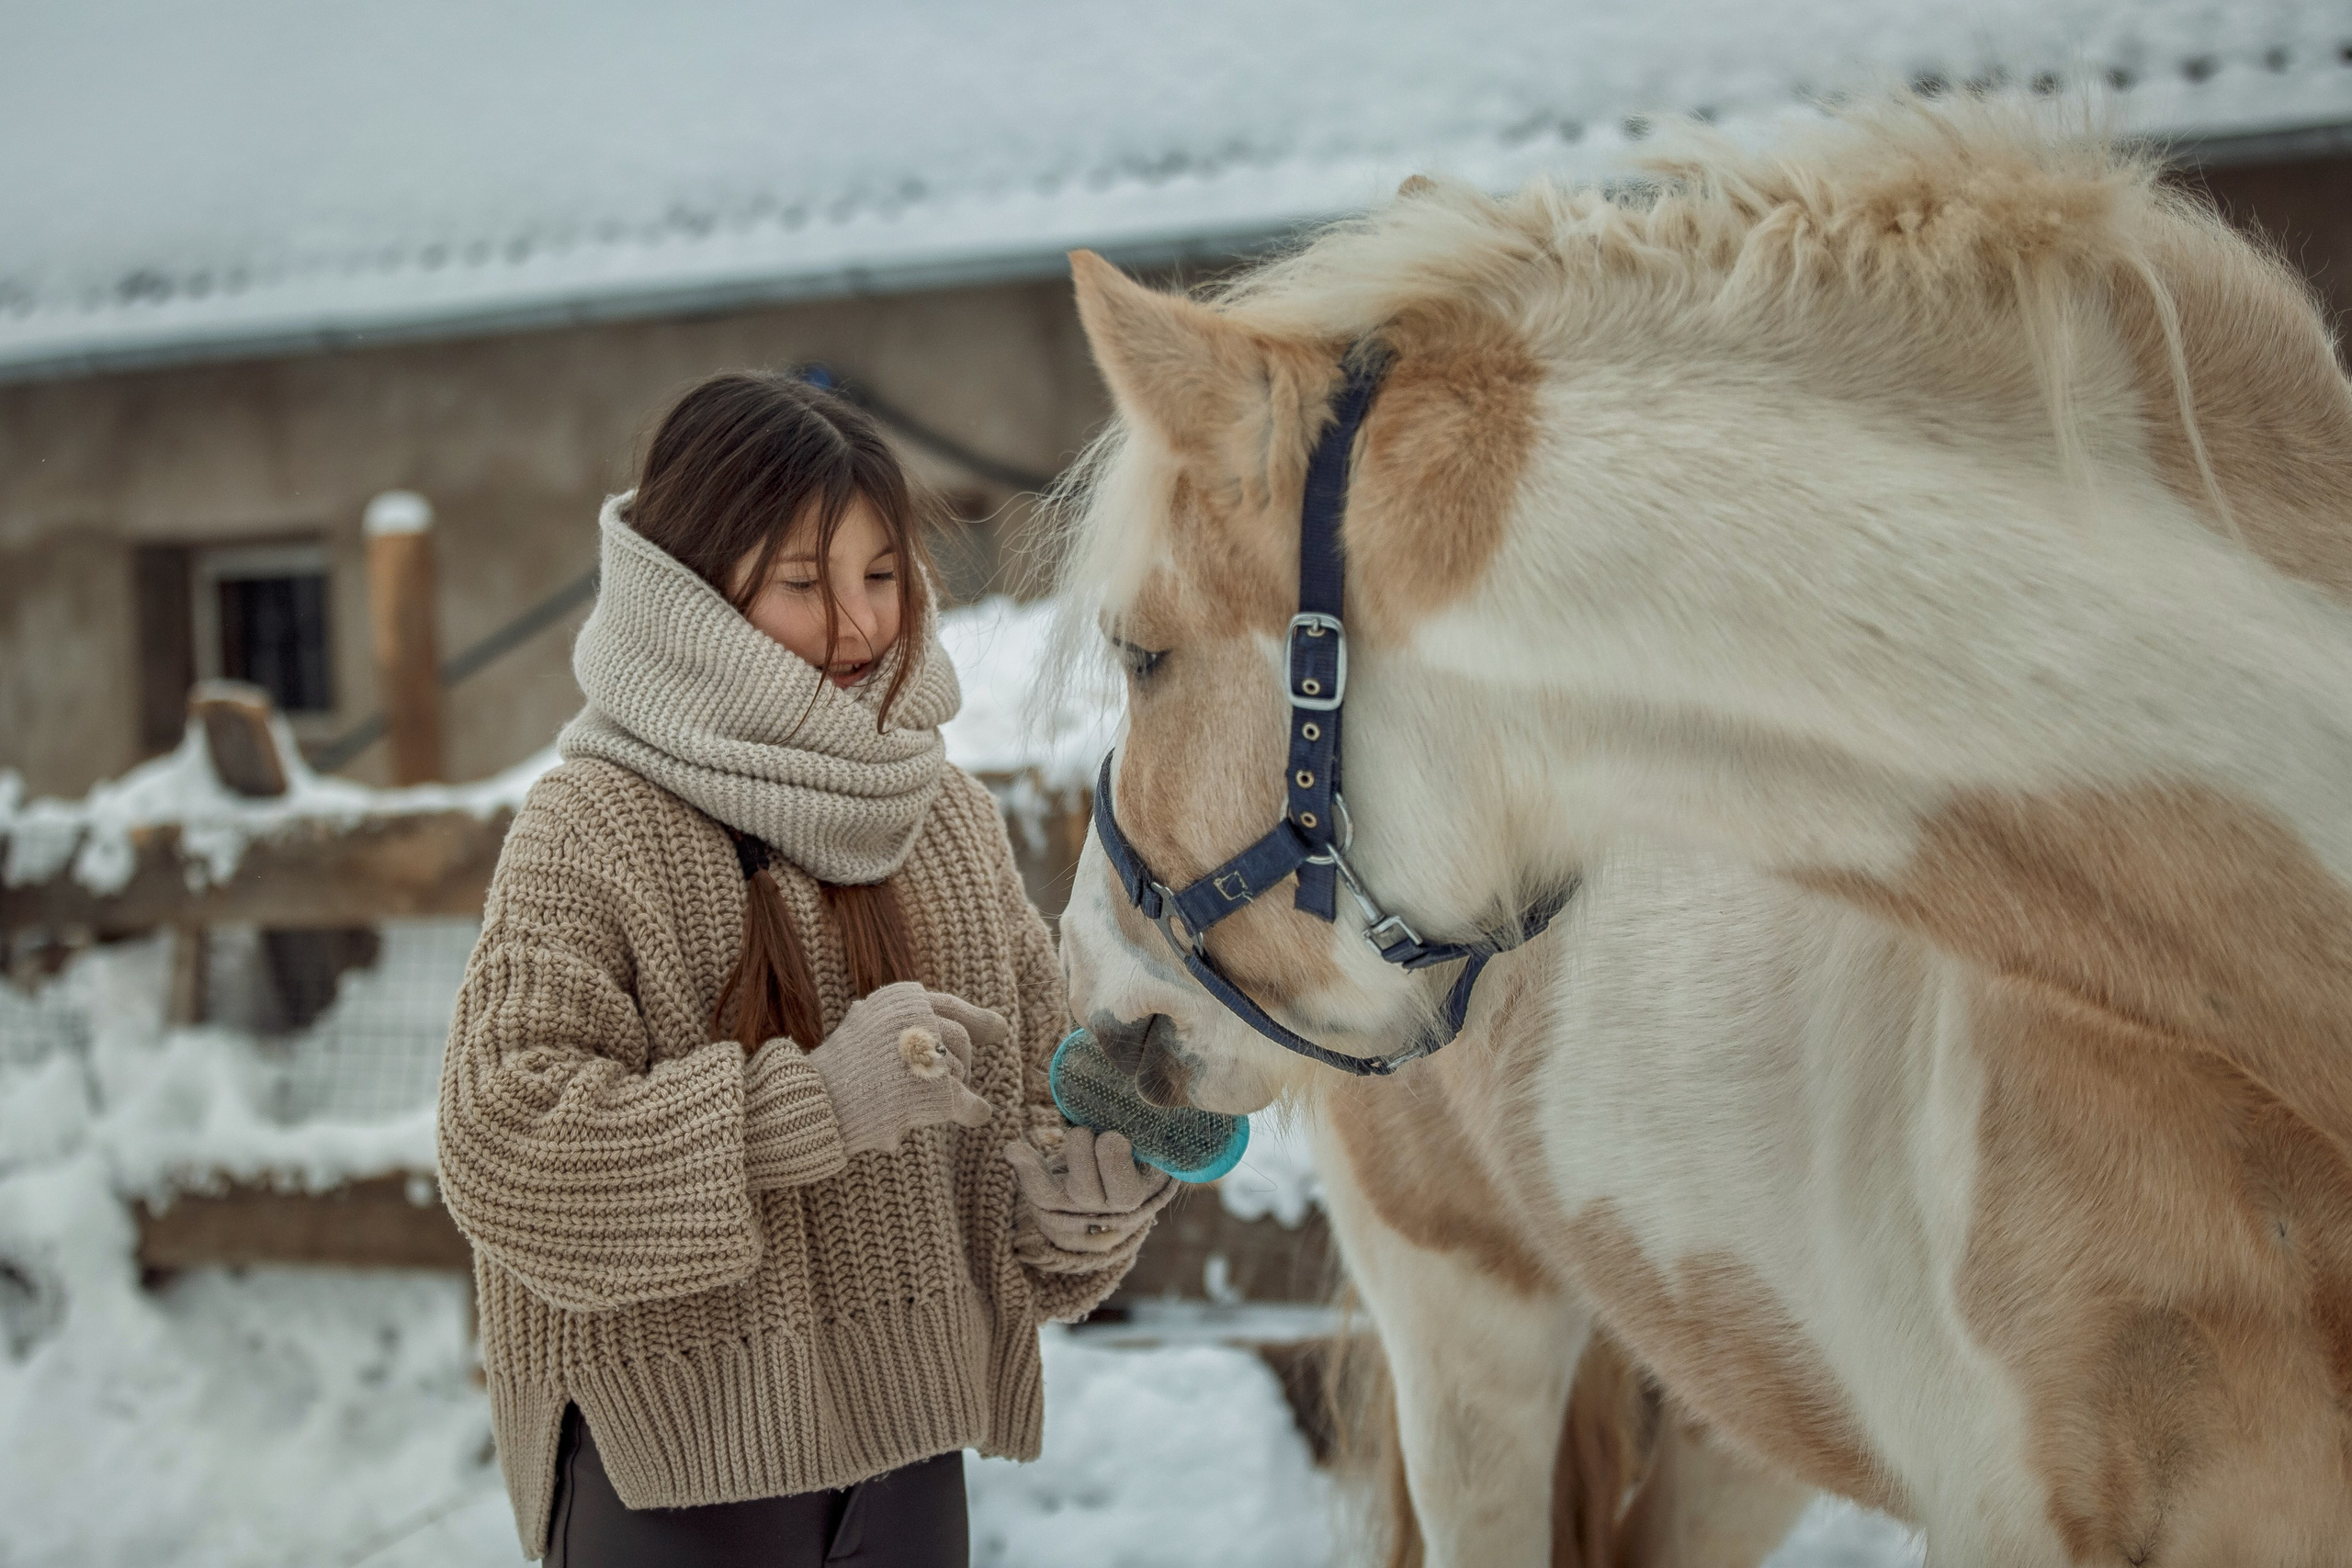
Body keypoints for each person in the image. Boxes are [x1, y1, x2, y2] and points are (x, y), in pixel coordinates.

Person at [436, 371, 1175, 1567]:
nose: (858, 626)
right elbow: (504, 1150)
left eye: (882, 575)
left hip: (909, 1461)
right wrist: (818, 1104)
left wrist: (1075, 1210)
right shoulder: (596, 826)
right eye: (801, 582)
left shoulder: (947, 823)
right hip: (675, 1469)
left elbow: (1030, 1132)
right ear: (693, 592)